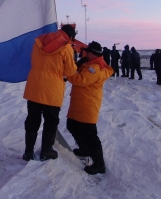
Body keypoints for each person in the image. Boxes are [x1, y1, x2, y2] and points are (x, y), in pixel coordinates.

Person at [23, 24, 77, 161]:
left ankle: (28, 152)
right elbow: (70, 71)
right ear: (70, 36)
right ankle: (46, 150)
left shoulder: (39, 41)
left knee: (32, 120)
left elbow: (33, 59)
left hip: (34, 87)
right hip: (52, 90)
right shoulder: (66, 47)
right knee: (51, 121)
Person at [66, 41, 114, 175]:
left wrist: (67, 71)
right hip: (80, 103)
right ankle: (84, 149)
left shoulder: (95, 68)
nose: (85, 53)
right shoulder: (90, 64)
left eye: (87, 51)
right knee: (72, 125)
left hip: (87, 104)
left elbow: (80, 80)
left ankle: (99, 164)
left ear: (93, 54)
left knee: (90, 135)